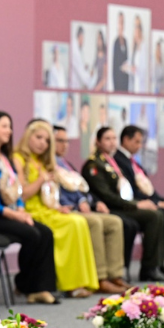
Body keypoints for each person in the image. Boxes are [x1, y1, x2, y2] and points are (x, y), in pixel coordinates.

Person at [0, 111, 59, 303]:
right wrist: (13, 215)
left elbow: (17, 190)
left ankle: (40, 288)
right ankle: (25, 285)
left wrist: (21, 209)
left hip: (9, 212)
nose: (9, 131)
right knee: (32, 234)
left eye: (10, 126)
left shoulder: (6, 158)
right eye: (4, 126)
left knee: (45, 232)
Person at [13, 121, 100, 297]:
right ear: (28, 136)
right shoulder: (18, 158)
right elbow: (21, 195)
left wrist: (58, 206)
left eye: (46, 140)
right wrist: (40, 180)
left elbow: (48, 194)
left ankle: (80, 282)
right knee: (71, 225)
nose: (42, 143)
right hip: (30, 209)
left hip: (47, 208)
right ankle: (68, 283)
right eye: (38, 137)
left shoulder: (41, 161)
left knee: (78, 221)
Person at [81, 127, 164, 283]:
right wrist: (136, 205)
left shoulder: (112, 162)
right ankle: (145, 268)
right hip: (111, 207)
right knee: (152, 216)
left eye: (114, 138)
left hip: (123, 205)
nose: (112, 142)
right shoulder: (94, 165)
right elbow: (107, 196)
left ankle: (153, 266)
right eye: (107, 138)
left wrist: (138, 203)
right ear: (98, 142)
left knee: (158, 214)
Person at [53, 126, 134, 289]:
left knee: (114, 222)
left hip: (81, 207)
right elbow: (57, 192)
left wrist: (88, 201)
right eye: (60, 141)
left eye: (67, 141)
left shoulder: (66, 164)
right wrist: (77, 203)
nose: (65, 145)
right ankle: (100, 277)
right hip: (64, 209)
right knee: (96, 222)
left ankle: (115, 274)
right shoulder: (51, 164)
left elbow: (81, 188)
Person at [116, 125, 164, 278]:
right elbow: (132, 191)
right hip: (134, 204)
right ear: (125, 139)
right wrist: (159, 204)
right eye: (136, 142)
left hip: (149, 201)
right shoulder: (119, 161)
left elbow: (148, 189)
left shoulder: (134, 161)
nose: (139, 146)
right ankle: (153, 267)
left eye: (141, 142)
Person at [130, 16, 148, 93]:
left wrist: (136, 69)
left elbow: (144, 69)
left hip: (141, 87)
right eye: (135, 26)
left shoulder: (143, 46)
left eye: (138, 26)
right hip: (133, 84)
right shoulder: (134, 46)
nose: (136, 29)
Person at [112, 12, 129, 92]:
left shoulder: (125, 41)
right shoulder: (116, 42)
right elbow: (114, 67)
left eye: (123, 22)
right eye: (120, 22)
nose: (121, 25)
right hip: (118, 83)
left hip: (125, 82)